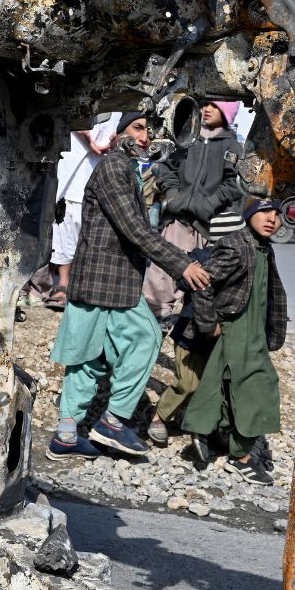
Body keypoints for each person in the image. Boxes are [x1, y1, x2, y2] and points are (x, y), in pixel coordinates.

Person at [47, 111, 211, 459]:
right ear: (117, 131)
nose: (145, 138)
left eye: (148, 132)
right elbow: (135, 229)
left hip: (99, 279)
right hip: (109, 281)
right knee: (146, 338)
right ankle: (113, 420)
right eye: (138, 128)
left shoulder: (123, 168)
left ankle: (65, 436)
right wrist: (182, 265)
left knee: (87, 359)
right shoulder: (114, 168)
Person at [176, 198, 288, 473]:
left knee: (225, 384)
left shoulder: (263, 248)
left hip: (254, 331)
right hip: (236, 329)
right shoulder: (236, 245)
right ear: (249, 215)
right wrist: (207, 323)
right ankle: (242, 457)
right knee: (260, 385)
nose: (271, 218)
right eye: (264, 212)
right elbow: (201, 282)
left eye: (277, 213)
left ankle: (206, 431)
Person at [144, 96, 245, 318]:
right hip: (177, 221)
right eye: (204, 104)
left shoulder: (232, 146)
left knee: (200, 280)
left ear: (227, 113)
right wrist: (172, 196)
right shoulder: (185, 136)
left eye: (214, 106)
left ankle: (190, 328)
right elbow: (165, 167)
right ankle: (154, 320)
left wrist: (209, 205)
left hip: (206, 226)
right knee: (161, 275)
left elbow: (233, 184)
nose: (206, 109)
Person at [47, 111, 123, 308]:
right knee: (64, 218)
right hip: (74, 157)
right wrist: (86, 133)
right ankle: (63, 283)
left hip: (102, 161)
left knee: (92, 224)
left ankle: (83, 285)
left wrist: (115, 139)